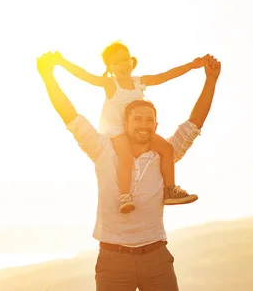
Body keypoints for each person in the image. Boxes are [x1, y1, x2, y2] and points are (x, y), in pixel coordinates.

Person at [36, 50, 221, 291]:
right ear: (125, 124)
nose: (143, 126)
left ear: (156, 126)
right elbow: (71, 117)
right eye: (137, 120)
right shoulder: (103, 150)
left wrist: (211, 80)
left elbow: (194, 123)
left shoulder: (164, 154)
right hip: (113, 260)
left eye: (148, 120)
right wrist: (48, 77)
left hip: (156, 259)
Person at [52, 41, 206, 214]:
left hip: (138, 130)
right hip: (117, 131)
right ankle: (124, 196)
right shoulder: (111, 84)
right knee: (125, 156)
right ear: (109, 68)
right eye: (116, 62)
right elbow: (85, 76)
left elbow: (166, 76)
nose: (123, 64)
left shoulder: (139, 82)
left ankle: (170, 190)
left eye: (125, 59)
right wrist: (62, 62)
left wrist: (192, 66)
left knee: (167, 149)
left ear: (132, 61)